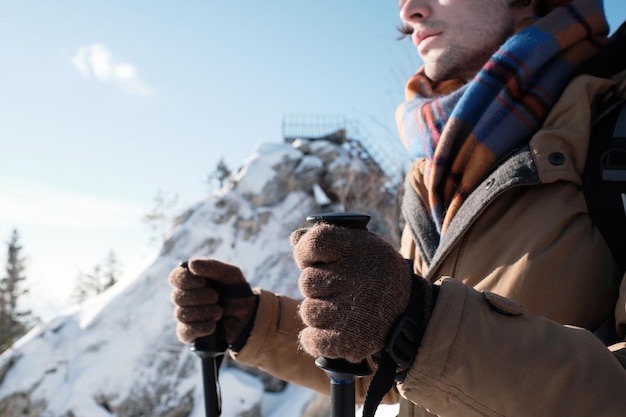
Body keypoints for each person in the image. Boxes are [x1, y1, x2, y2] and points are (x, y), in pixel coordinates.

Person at [169, 0, 626, 415]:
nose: (409, 11)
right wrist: (254, 321)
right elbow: (392, 370)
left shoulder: (611, 127)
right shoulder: (436, 165)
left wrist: (423, 325)